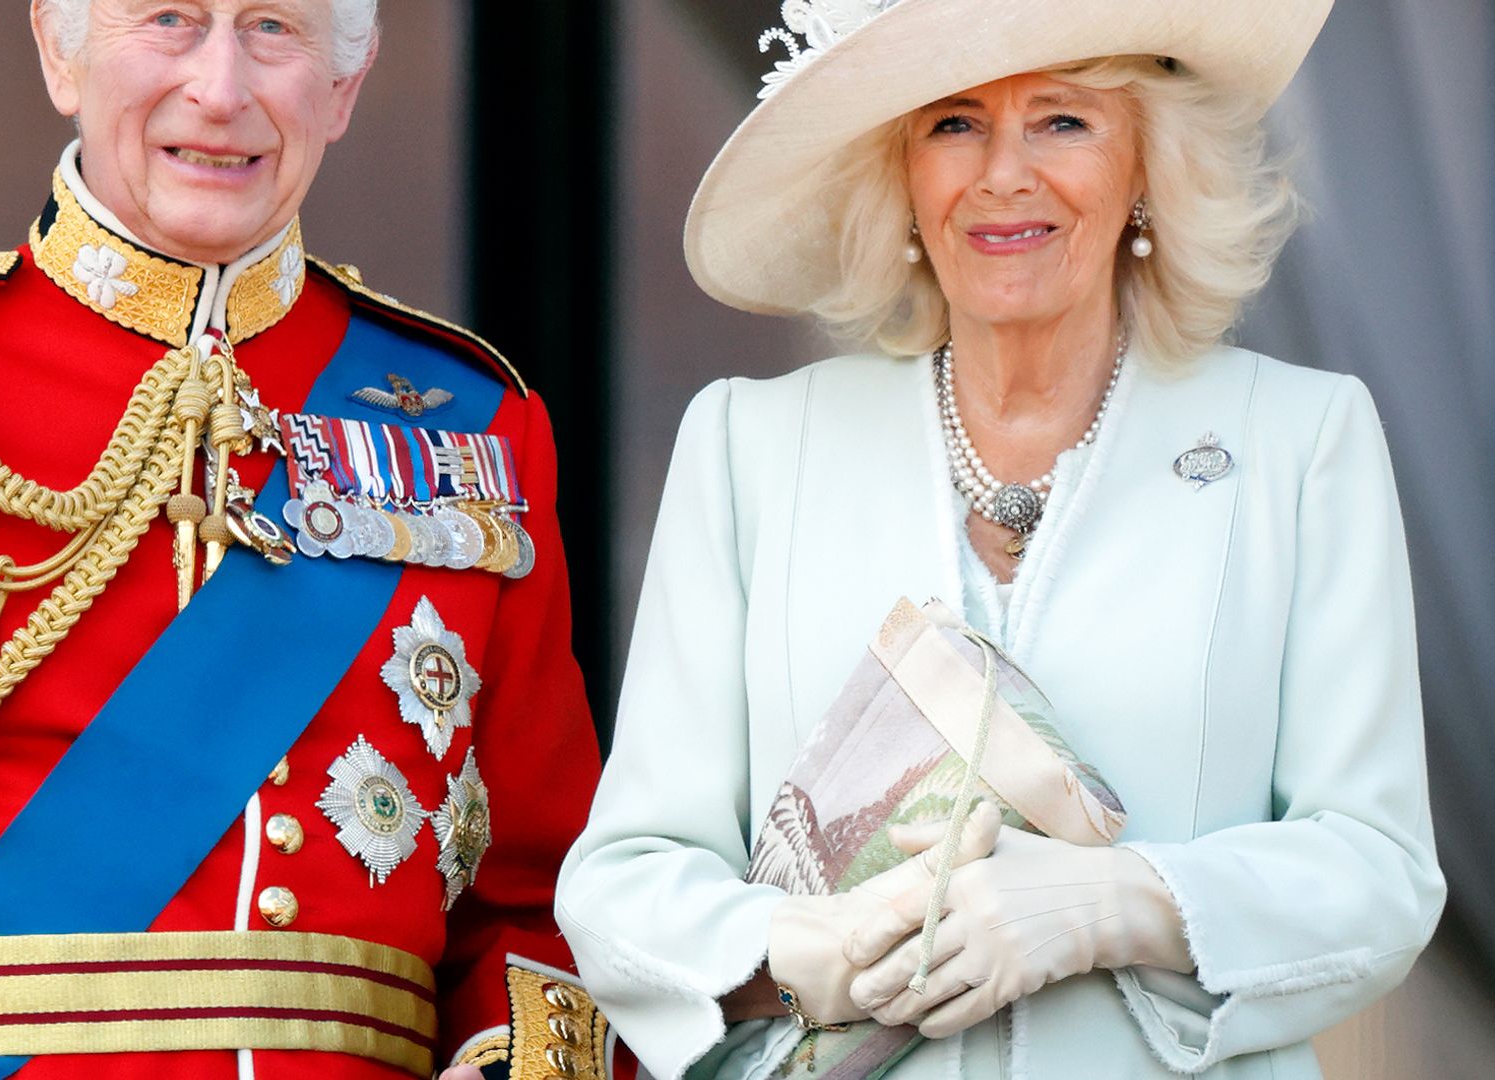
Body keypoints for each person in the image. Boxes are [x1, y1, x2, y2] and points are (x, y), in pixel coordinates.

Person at [0, 3, 617, 1079]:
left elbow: (545, 905)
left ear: (345, 83)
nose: (219, 88)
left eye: (273, 30)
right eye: (170, 20)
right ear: (61, 53)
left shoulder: (468, 426)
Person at [556, 0, 1444, 1077]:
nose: (1003, 174)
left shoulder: (1301, 441)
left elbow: (1379, 874)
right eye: (953, 123)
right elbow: (624, 886)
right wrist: (805, 955)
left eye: (1063, 121)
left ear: (1149, 169)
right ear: (901, 179)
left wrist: (1119, 903)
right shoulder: (751, 445)